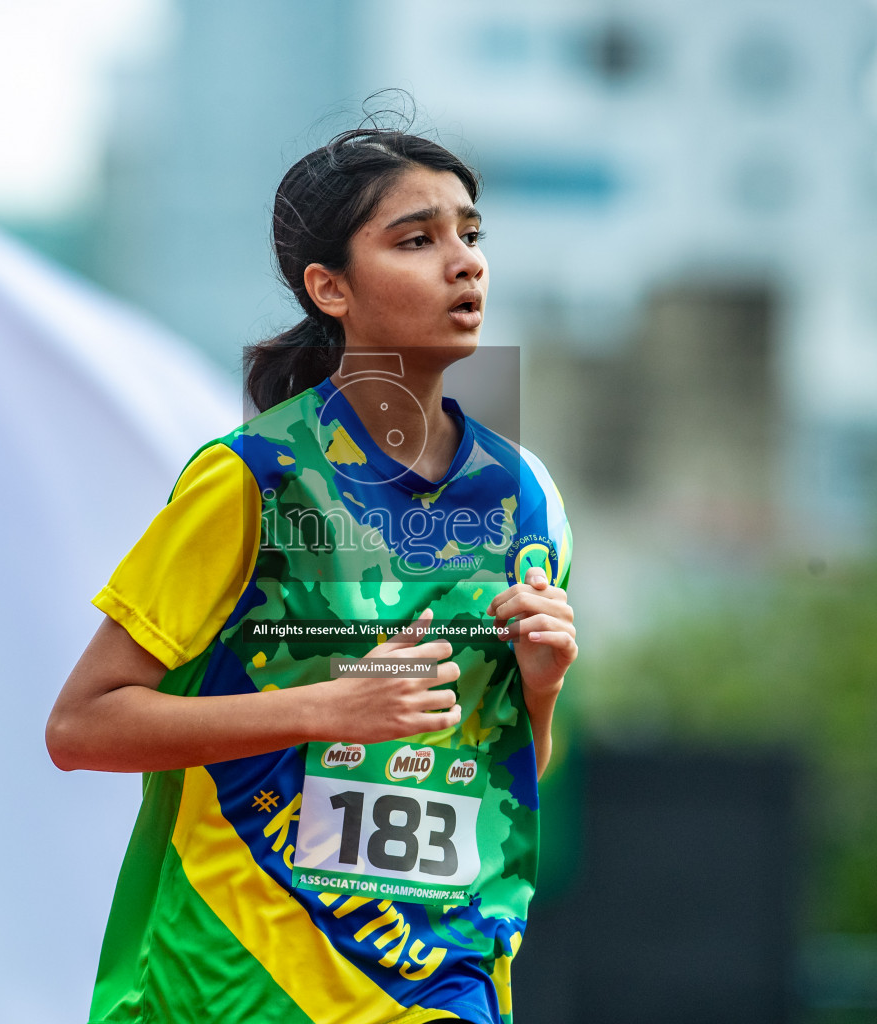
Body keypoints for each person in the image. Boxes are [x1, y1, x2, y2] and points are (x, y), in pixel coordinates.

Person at [47, 122, 578, 1024]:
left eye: (470, 235)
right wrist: (329, 709)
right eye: (417, 240)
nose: (464, 264)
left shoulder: (526, 498)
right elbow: (81, 726)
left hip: (439, 993)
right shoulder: (250, 478)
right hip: (233, 987)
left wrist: (541, 691)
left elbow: (498, 780)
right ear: (329, 288)